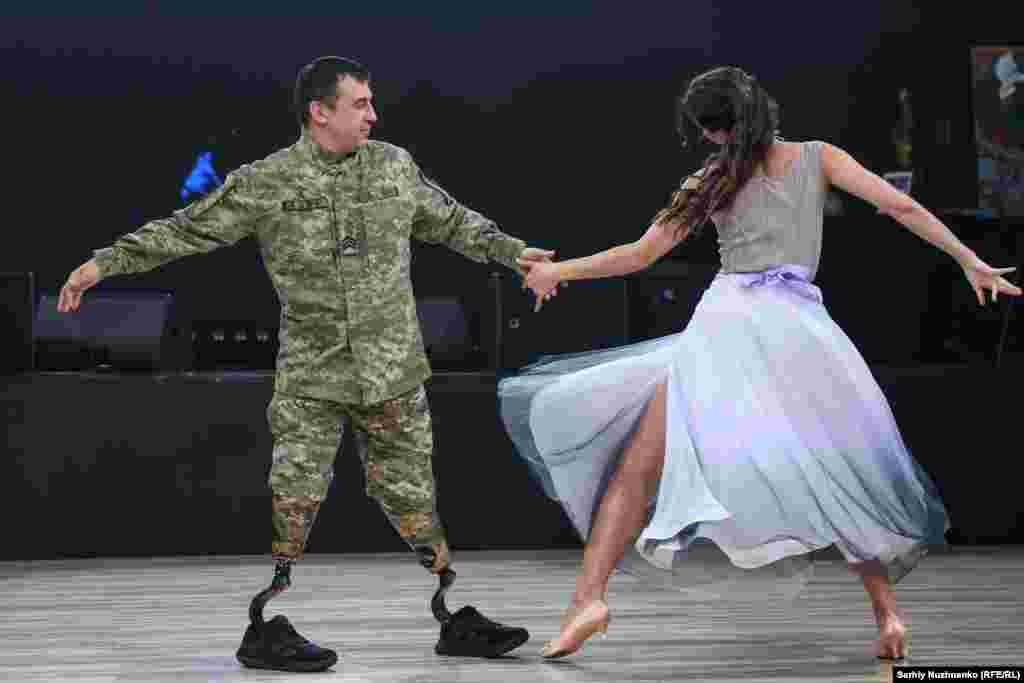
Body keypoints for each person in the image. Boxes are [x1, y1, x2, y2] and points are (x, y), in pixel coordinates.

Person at [503, 66, 1022, 661]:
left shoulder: (710, 180)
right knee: (833, 469)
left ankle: (589, 598)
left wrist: (558, 271)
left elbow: (639, 255)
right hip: (799, 332)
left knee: (637, 468)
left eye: (706, 130)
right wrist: (967, 258)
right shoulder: (818, 157)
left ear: (719, 130)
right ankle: (888, 617)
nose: (705, 142)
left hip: (728, 329)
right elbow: (899, 206)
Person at [58, 56, 550, 673]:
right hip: (312, 379)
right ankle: (263, 625)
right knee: (294, 497)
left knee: (415, 497)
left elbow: (452, 222)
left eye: (372, 103)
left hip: (393, 374)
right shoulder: (268, 182)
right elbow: (187, 230)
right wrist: (102, 264)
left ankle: (453, 617)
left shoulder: (394, 167)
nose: (373, 114)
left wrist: (514, 253)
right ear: (320, 112)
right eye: (360, 104)